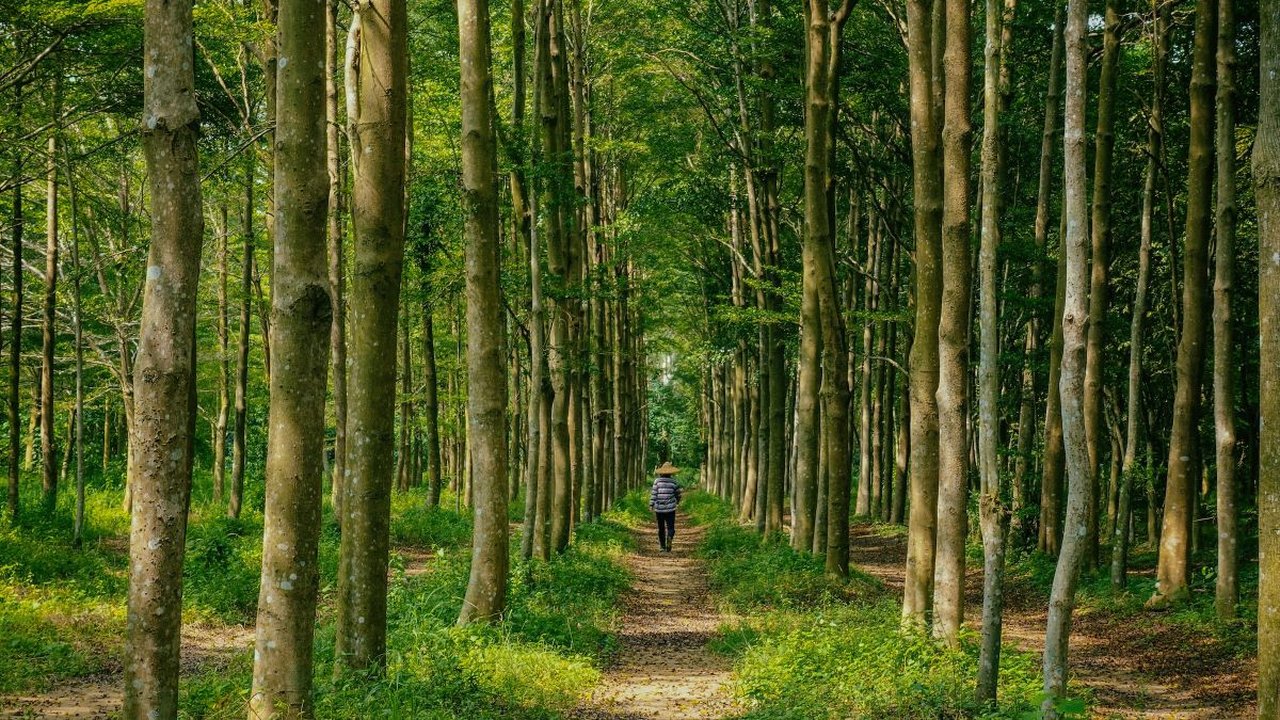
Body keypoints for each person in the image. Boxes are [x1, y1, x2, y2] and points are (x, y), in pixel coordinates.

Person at [649, 462, 683, 552]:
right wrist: (678, 502)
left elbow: (654, 494)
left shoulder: (657, 481)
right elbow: (678, 494)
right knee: (671, 527)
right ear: (671, 472)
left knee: (661, 528)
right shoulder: (674, 482)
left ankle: (662, 547)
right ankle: (670, 538)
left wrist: (651, 504)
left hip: (659, 509)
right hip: (671, 509)